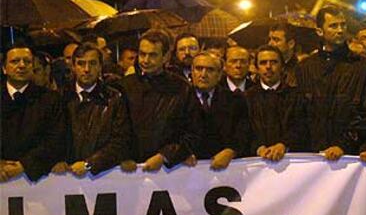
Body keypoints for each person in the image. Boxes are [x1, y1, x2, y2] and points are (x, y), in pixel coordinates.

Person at [295, 5, 366, 161]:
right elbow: (300, 113)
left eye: (343, 25)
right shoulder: (305, 67)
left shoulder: (364, 66)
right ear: (320, 31)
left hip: (351, 157)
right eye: (333, 25)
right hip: (313, 156)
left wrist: (343, 145)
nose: (340, 30)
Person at [116, 30, 198, 172]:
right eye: (142, 54)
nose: (145, 60)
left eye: (153, 55)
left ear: (165, 56)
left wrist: (165, 155)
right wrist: (122, 156)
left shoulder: (182, 88)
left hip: (169, 171)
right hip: (130, 171)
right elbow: (116, 131)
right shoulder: (124, 86)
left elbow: (193, 131)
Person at [52, 43, 131, 177]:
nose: (87, 69)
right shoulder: (59, 98)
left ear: (100, 66)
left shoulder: (115, 98)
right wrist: (57, 159)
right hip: (65, 178)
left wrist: (90, 164)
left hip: (103, 176)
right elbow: (51, 137)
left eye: (92, 63)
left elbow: (120, 141)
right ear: (73, 66)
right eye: (81, 64)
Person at [1, 43, 65, 182]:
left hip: (38, 183)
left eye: (27, 61)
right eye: (15, 61)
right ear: (4, 68)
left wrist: (23, 165)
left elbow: (56, 140)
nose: (22, 65)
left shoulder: (50, 99)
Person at [190, 52, 251, 169]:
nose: (203, 74)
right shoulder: (180, 99)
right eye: (199, 69)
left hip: (225, 169)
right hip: (186, 170)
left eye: (210, 70)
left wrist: (231, 151)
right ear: (192, 72)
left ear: (219, 75)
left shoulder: (235, 100)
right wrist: (182, 152)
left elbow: (243, 133)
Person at [246, 45, 307, 161]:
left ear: (282, 66)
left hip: (289, 163)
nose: (268, 67)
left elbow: (301, 127)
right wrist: (258, 147)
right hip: (255, 164)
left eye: (274, 62)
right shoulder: (246, 98)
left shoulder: (296, 96)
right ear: (256, 68)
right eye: (263, 63)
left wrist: (283, 144)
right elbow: (244, 130)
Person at [268, 19, 299, 86]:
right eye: (269, 39)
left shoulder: (300, 70)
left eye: (276, 40)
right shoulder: (265, 67)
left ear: (291, 44)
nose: (270, 44)